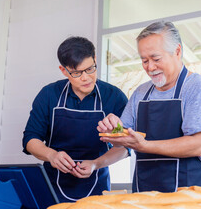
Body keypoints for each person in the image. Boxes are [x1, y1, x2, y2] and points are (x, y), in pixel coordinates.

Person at [97, 21, 201, 193]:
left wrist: (145, 145)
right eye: (144, 60)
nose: (150, 67)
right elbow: (123, 143)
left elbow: (199, 145)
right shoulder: (140, 93)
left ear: (177, 52)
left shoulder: (197, 88)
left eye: (156, 59)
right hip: (145, 195)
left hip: (191, 196)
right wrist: (114, 129)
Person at [22, 36, 128, 202]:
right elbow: (30, 139)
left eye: (90, 69)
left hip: (97, 186)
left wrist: (96, 164)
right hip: (51, 186)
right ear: (64, 70)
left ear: (95, 60)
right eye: (77, 73)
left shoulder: (114, 97)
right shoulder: (49, 94)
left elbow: (124, 147)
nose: (85, 78)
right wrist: (51, 155)